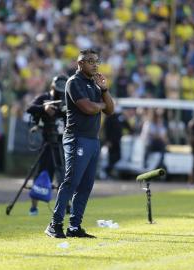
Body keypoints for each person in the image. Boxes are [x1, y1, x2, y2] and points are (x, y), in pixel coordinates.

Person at [45, 49, 114, 238]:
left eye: (96, 61)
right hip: (77, 138)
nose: (94, 64)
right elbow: (88, 108)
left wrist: (105, 90)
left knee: (85, 186)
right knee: (71, 182)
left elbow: (111, 110)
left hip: (92, 140)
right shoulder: (74, 82)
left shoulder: (94, 84)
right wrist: (101, 105)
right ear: (80, 63)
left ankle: (74, 226)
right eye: (90, 61)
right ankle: (54, 224)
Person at [26, 75, 68, 216]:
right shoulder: (44, 97)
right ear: (52, 87)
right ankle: (33, 207)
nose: (60, 93)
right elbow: (30, 108)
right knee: (41, 175)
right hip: (48, 144)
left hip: (63, 144)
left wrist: (64, 110)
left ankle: (65, 206)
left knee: (63, 176)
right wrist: (44, 108)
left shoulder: (68, 99)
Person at [103, 105, 132, 178]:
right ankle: (107, 171)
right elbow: (106, 130)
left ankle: (108, 170)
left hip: (118, 141)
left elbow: (128, 127)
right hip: (111, 142)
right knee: (111, 157)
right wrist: (107, 141)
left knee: (118, 157)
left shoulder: (119, 117)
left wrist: (131, 131)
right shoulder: (109, 117)